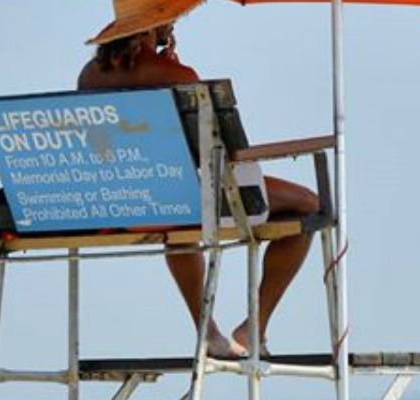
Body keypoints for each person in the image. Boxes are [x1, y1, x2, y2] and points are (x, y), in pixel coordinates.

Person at [80, 1, 321, 358]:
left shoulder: (89, 76)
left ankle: (206, 332)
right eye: (169, 18)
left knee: (178, 217)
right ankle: (254, 327)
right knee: (309, 205)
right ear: (155, 25)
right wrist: (174, 67)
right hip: (181, 198)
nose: (174, 24)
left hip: (128, 202)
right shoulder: (177, 74)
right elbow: (218, 153)